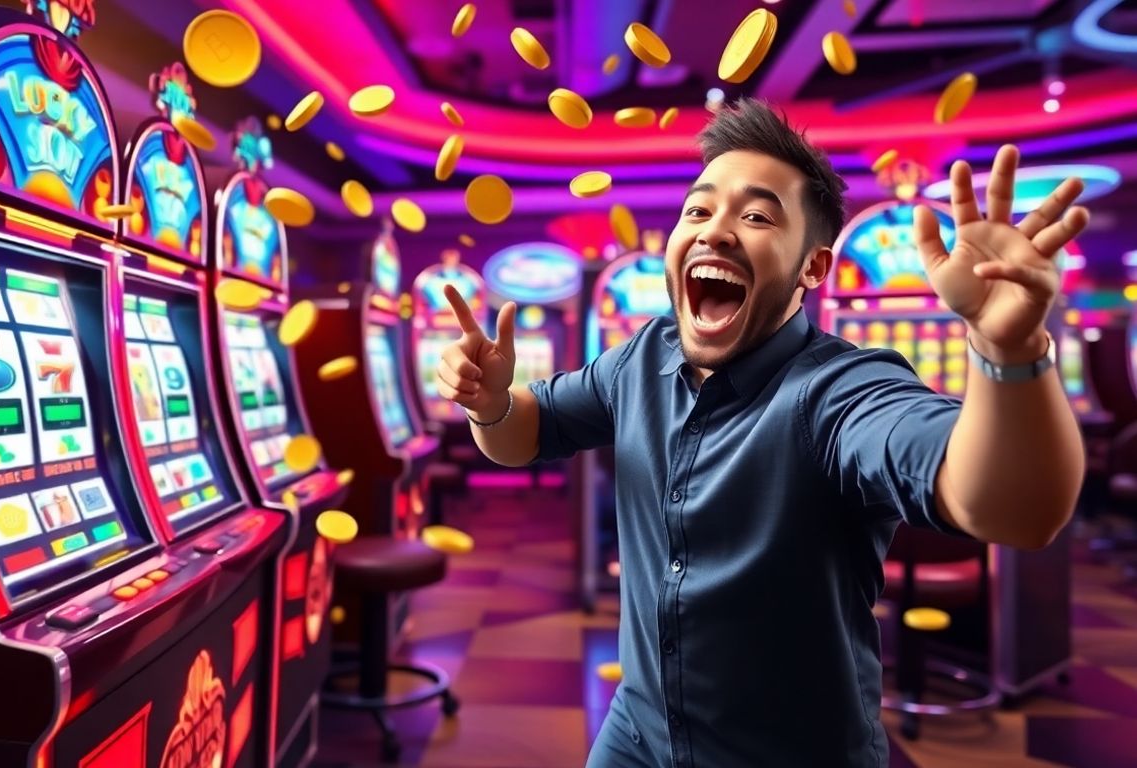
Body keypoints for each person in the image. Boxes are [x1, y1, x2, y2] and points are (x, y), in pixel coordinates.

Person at [434, 98, 1088, 767]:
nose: (714, 232)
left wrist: (1010, 350)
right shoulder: (642, 356)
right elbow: (525, 431)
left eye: (754, 216)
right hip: (639, 729)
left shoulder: (836, 390)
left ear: (812, 268)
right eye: (698, 209)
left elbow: (1012, 510)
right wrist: (489, 403)